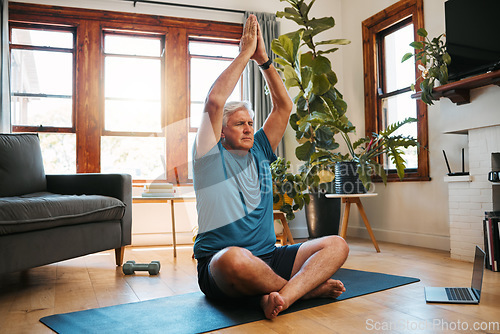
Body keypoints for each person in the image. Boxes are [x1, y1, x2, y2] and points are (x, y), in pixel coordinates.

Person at [192, 14, 349, 320]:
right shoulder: (209, 158)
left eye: (251, 123)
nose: (249, 128)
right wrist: (245, 53)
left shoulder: (261, 149)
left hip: (271, 256)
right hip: (221, 264)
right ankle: (306, 290)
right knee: (234, 260)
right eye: (240, 124)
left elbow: (284, 107)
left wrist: (264, 61)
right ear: (221, 132)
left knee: (337, 245)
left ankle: (281, 297)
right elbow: (214, 101)